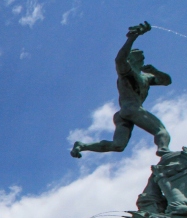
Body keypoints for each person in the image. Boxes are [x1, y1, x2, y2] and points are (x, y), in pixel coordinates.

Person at [71, 21, 172, 158]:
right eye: (140, 58)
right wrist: (131, 39)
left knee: (118, 145)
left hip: (122, 113)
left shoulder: (145, 77)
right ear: (134, 59)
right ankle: (164, 149)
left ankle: (83, 145)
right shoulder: (127, 73)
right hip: (133, 109)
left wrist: (155, 71)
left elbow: (166, 81)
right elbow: (119, 60)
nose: (142, 60)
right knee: (161, 131)